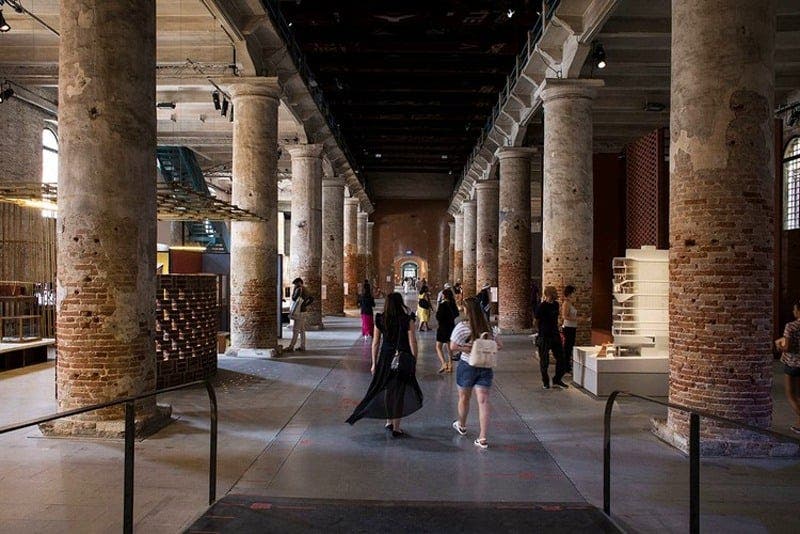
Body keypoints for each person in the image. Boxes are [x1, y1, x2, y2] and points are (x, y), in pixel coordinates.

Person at [346, 292, 423, 437]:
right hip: (402, 357)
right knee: (399, 392)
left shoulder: (380, 319)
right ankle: (396, 427)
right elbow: (412, 341)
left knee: (387, 389)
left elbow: (375, 343)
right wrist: (414, 360)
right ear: (400, 303)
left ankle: (389, 421)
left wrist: (374, 363)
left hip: (386, 358)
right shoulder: (407, 320)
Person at [449, 296, 503, 449]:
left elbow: (453, 347)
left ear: (467, 310)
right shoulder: (488, 328)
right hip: (485, 365)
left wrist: (467, 348)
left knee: (464, 398)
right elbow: (499, 345)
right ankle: (483, 437)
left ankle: (462, 425)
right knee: (484, 401)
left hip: (467, 365)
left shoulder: (462, 327)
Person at [534, 285, 568, 389]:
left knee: (561, 358)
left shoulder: (556, 305)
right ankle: (545, 382)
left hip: (555, 335)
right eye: (554, 292)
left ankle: (557, 379)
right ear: (549, 294)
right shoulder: (541, 306)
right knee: (544, 361)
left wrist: (558, 329)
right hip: (544, 336)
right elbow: (536, 321)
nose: (556, 294)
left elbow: (555, 319)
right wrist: (539, 332)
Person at [776, 299, 800, 434]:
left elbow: (788, 347)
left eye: (795, 309)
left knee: (791, 395)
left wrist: (779, 345)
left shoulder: (791, 326)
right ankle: (799, 424)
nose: (793, 311)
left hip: (793, 363)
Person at [435, 288, 459, 373]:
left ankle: (444, 363)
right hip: (451, 326)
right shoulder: (453, 304)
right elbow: (457, 314)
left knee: (438, 347)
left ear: (444, 296)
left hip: (442, 327)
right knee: (449, 347)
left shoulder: (442, 305)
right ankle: (451, 364)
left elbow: (438, 317)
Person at [286, 277, 312, 352]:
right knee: (302, 330)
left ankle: (291, 347)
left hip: (299, 312)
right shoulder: (306, 289)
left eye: (296, 284)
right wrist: (305, 305)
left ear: (299, 282)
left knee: (295, 330)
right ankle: (302, 346)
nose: (295, 285)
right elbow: (312, 299)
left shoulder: (298, 289)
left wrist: (294, 290)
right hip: (304, 311)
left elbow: (294, 298)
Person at [561, 285, 578, 374]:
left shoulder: (570, 303)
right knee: (567, 347)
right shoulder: (566, 303)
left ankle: (567, 365)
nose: (575, 294)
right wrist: (577, 319)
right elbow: (564, 316)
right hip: (568, 327)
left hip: (572, 327)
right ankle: (565, 366)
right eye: (574, 292)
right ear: (570, 293)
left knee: (569, 347)